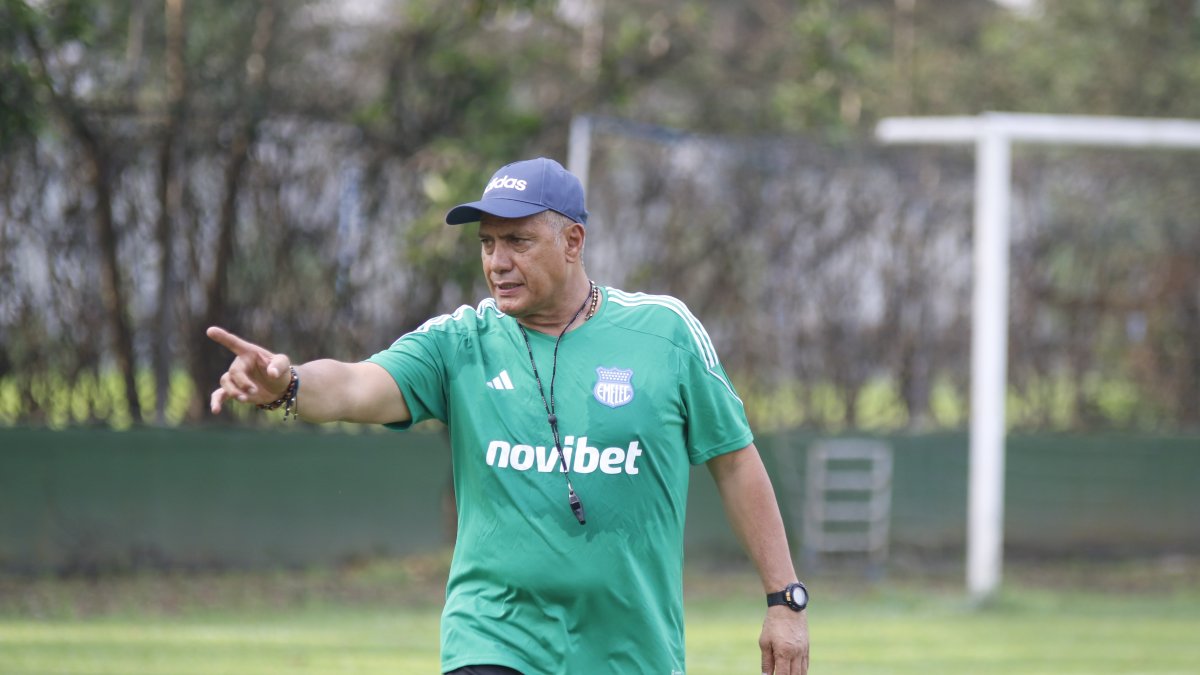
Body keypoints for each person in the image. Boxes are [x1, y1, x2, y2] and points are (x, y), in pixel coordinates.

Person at [208, 157, 810, 675]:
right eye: (487, 244)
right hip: (493, 637)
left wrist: (784, 599)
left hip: (631, 648)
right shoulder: (461, 340)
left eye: (517, 241)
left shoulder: (665, 333)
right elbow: (359, 384)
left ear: (573, 242)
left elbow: (734, 463)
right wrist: (287, 383)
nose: (497, 261)